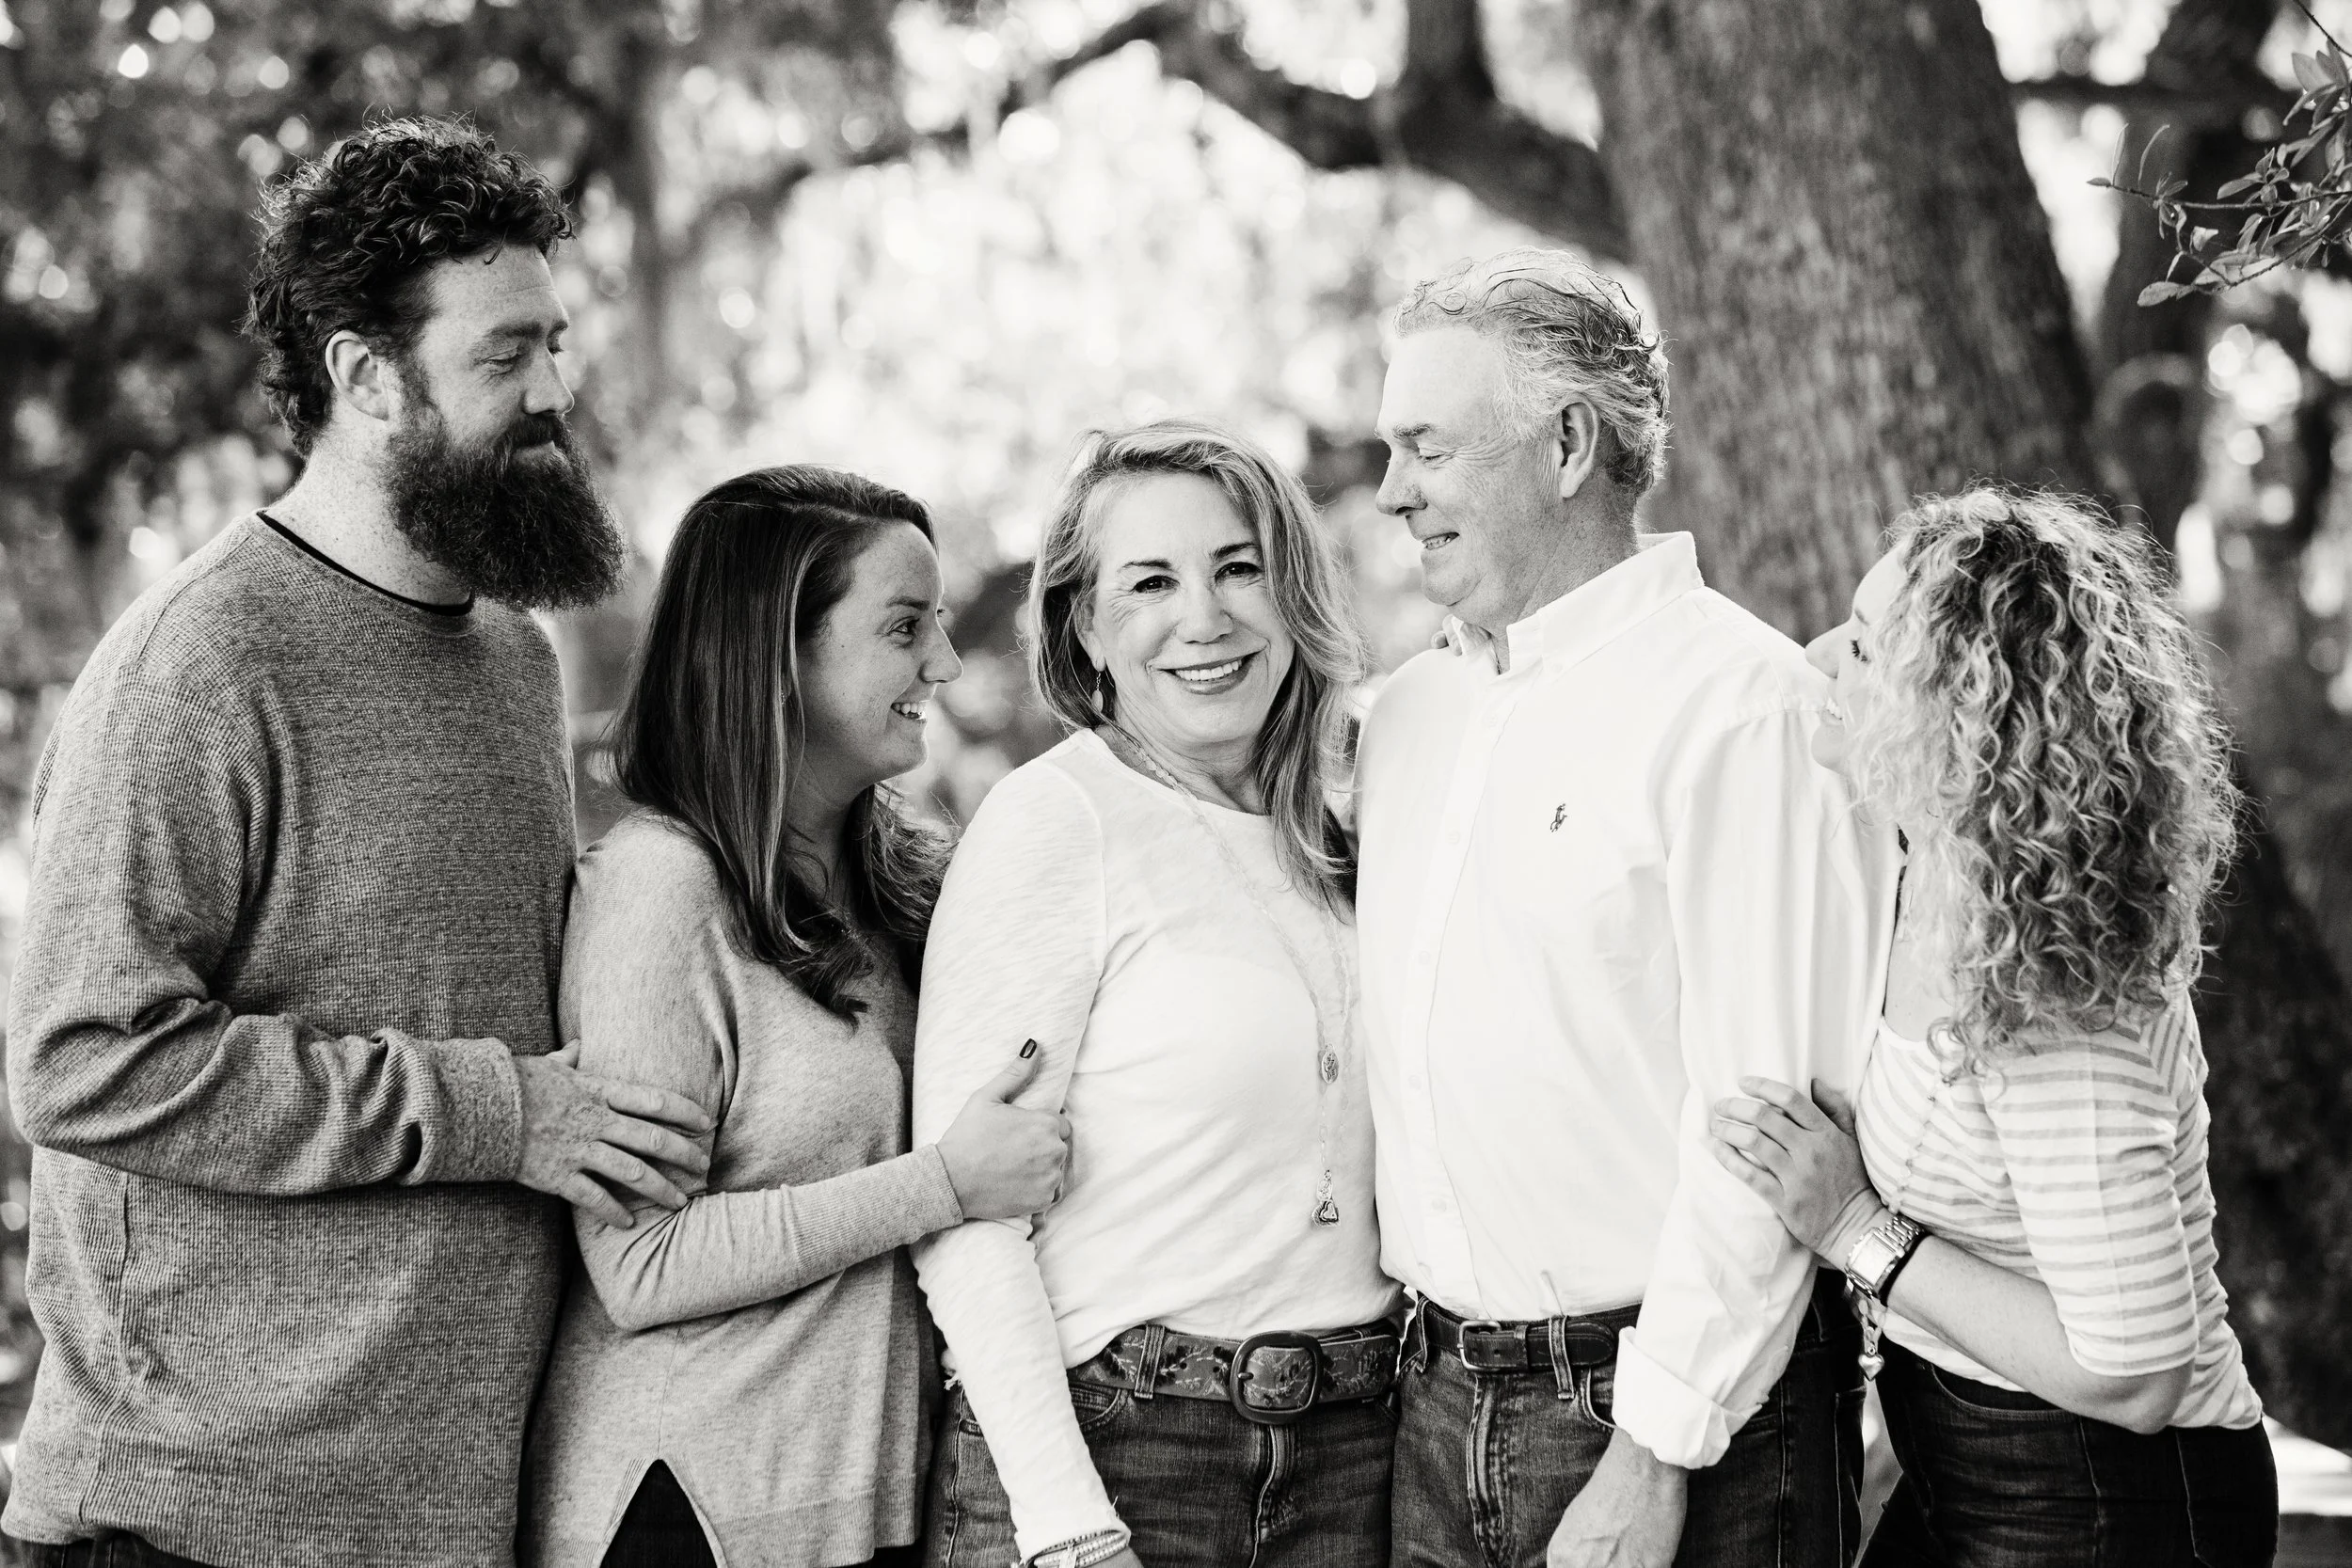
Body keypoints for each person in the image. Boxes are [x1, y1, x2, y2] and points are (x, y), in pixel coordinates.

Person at [1, 118, 715, 1568]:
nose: (557, 393)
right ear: (365, 373)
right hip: (188, 1520)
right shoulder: (199, 668)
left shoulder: (515, 656)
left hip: (442, 1514)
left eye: (558, 344)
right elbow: (83, 1055)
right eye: (506, 354)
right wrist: (496, 1109)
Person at [1355, 247, 1889, 1568]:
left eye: (1426, 445)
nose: (1389, 491)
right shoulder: (1410, 712)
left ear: (1568, 444)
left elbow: (1768, 1125)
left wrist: (1653, 1451)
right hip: (1428, 1409)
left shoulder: (1740, 703)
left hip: (1671, 1418)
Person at [1708, 487, 2277, 1568]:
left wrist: (1853, 1228)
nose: (1824, 654)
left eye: (1869, 651)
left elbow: (2139, 1368)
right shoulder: (1928, 872)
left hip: (2114, 1498)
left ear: (1961, 716)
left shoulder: (2053, 986)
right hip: (1975, 1466)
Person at [521, 467, 1073, 1568]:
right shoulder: (658, 890)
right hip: (689, 1511)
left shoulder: (894, 879)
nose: (946, 661)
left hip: (854, 1505)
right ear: (780, 648)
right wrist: (944, 1183)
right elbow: (639, 1262)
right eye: (904, 627)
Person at [912, 419, 1402, 1568]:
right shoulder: (1056, 822)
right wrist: (1069, 1526)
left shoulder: (1352, 817)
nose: (1205, 617)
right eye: (1150, 583)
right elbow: (966, 1212)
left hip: (1357, 1455)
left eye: (1239, 567)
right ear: (1086, 625)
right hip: (1120, 1445)